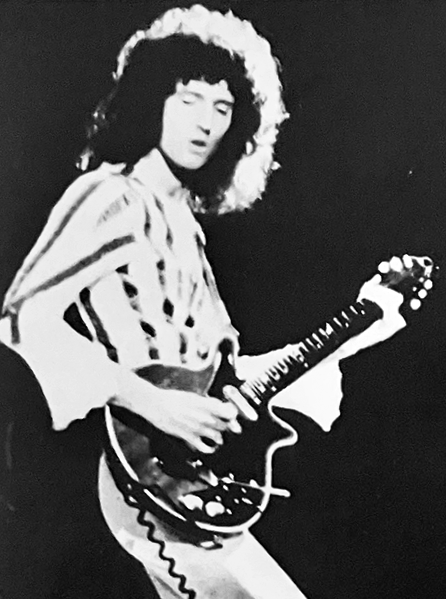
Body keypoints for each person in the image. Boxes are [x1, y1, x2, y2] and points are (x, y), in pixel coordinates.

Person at [0, 4, 406, 598]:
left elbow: (223, 375)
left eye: (223, 107)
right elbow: (19, 319)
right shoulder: (112, 195)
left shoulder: (186, 225)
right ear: (152, 101)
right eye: (188, 98)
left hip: (193, 481)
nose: (206, 122)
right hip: (133, 471)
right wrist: (155, 405)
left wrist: (363, 324)